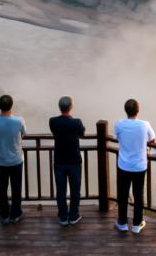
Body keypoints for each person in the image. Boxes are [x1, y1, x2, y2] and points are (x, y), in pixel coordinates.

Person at [113, 98, 155, 234]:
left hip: (124, 165)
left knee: (123, 193)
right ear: (138, 110)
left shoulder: (119, 124)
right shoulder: (144, 124)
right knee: (138, 194)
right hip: (139, 165)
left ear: (126, 111)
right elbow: (152, 139)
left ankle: (122, 223)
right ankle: (137, 224)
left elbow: (117, 137)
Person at [0, 94, 26, 225]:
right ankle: (16, 214)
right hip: (16, 160)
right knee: (16, 188)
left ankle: (4, 215)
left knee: (2, 189)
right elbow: (23, 133)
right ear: (11, 106)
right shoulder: (19, 120)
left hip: (0, 161)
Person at [49, 95, 86, 226]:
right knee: (75, 189)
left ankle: (63, 217)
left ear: (60, 107)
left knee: (61, 190)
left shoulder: (53, 121)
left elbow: (54, 132)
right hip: (74, 160)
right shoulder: (77, 122)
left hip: (59, 160)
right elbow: (82, 134)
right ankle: (74, 215)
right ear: (71, 107)